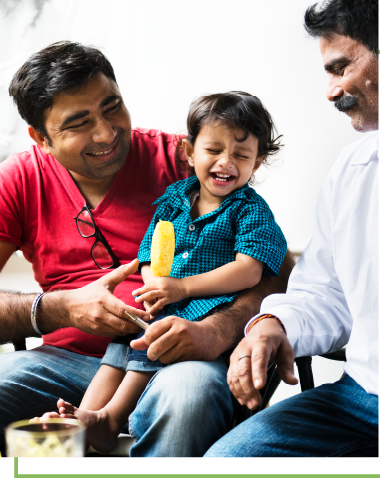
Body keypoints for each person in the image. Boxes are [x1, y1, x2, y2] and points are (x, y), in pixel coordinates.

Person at [0, 42, 294, 457]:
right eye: (79, 122)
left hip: (183, 354)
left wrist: (216, 331)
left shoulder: (189, 160)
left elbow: (276, 269)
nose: (106, 132)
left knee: (188, 397)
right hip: (62, 359)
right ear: (41, 138)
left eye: (112, 107)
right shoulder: (18, 180)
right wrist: (58, 308)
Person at [205, 0, 379, 457]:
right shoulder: (354, 169)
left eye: (341, 67)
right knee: (225, 462)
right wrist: (270, 326)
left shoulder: (253, 216)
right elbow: (326, 293)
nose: (331, 90)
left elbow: (250, 268)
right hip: (363, 397)